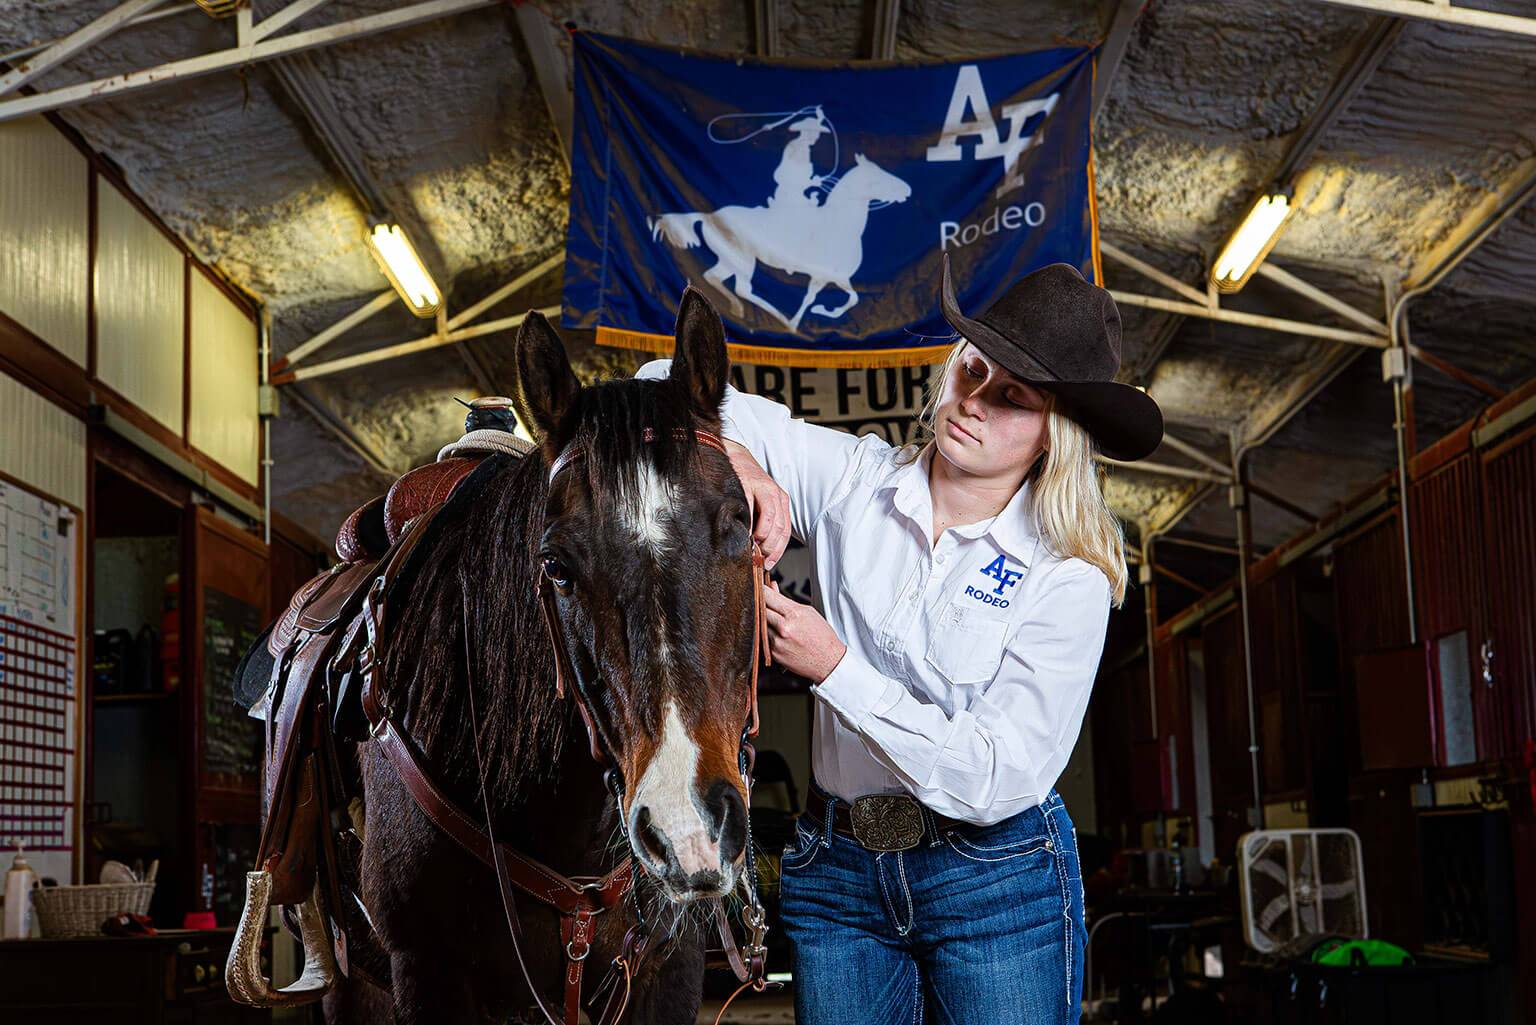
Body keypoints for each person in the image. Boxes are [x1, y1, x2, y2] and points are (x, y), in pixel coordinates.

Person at [636, 254, 1162, 1024]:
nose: (973, 400)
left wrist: (836, 668)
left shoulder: (1067, 576)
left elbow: (995, 773)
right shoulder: (856, 481)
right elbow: (660, 381)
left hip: (994, 879)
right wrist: (738, 455)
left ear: (1055, 435)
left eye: (1011, 396)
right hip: (840, 868)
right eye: (973, 369)